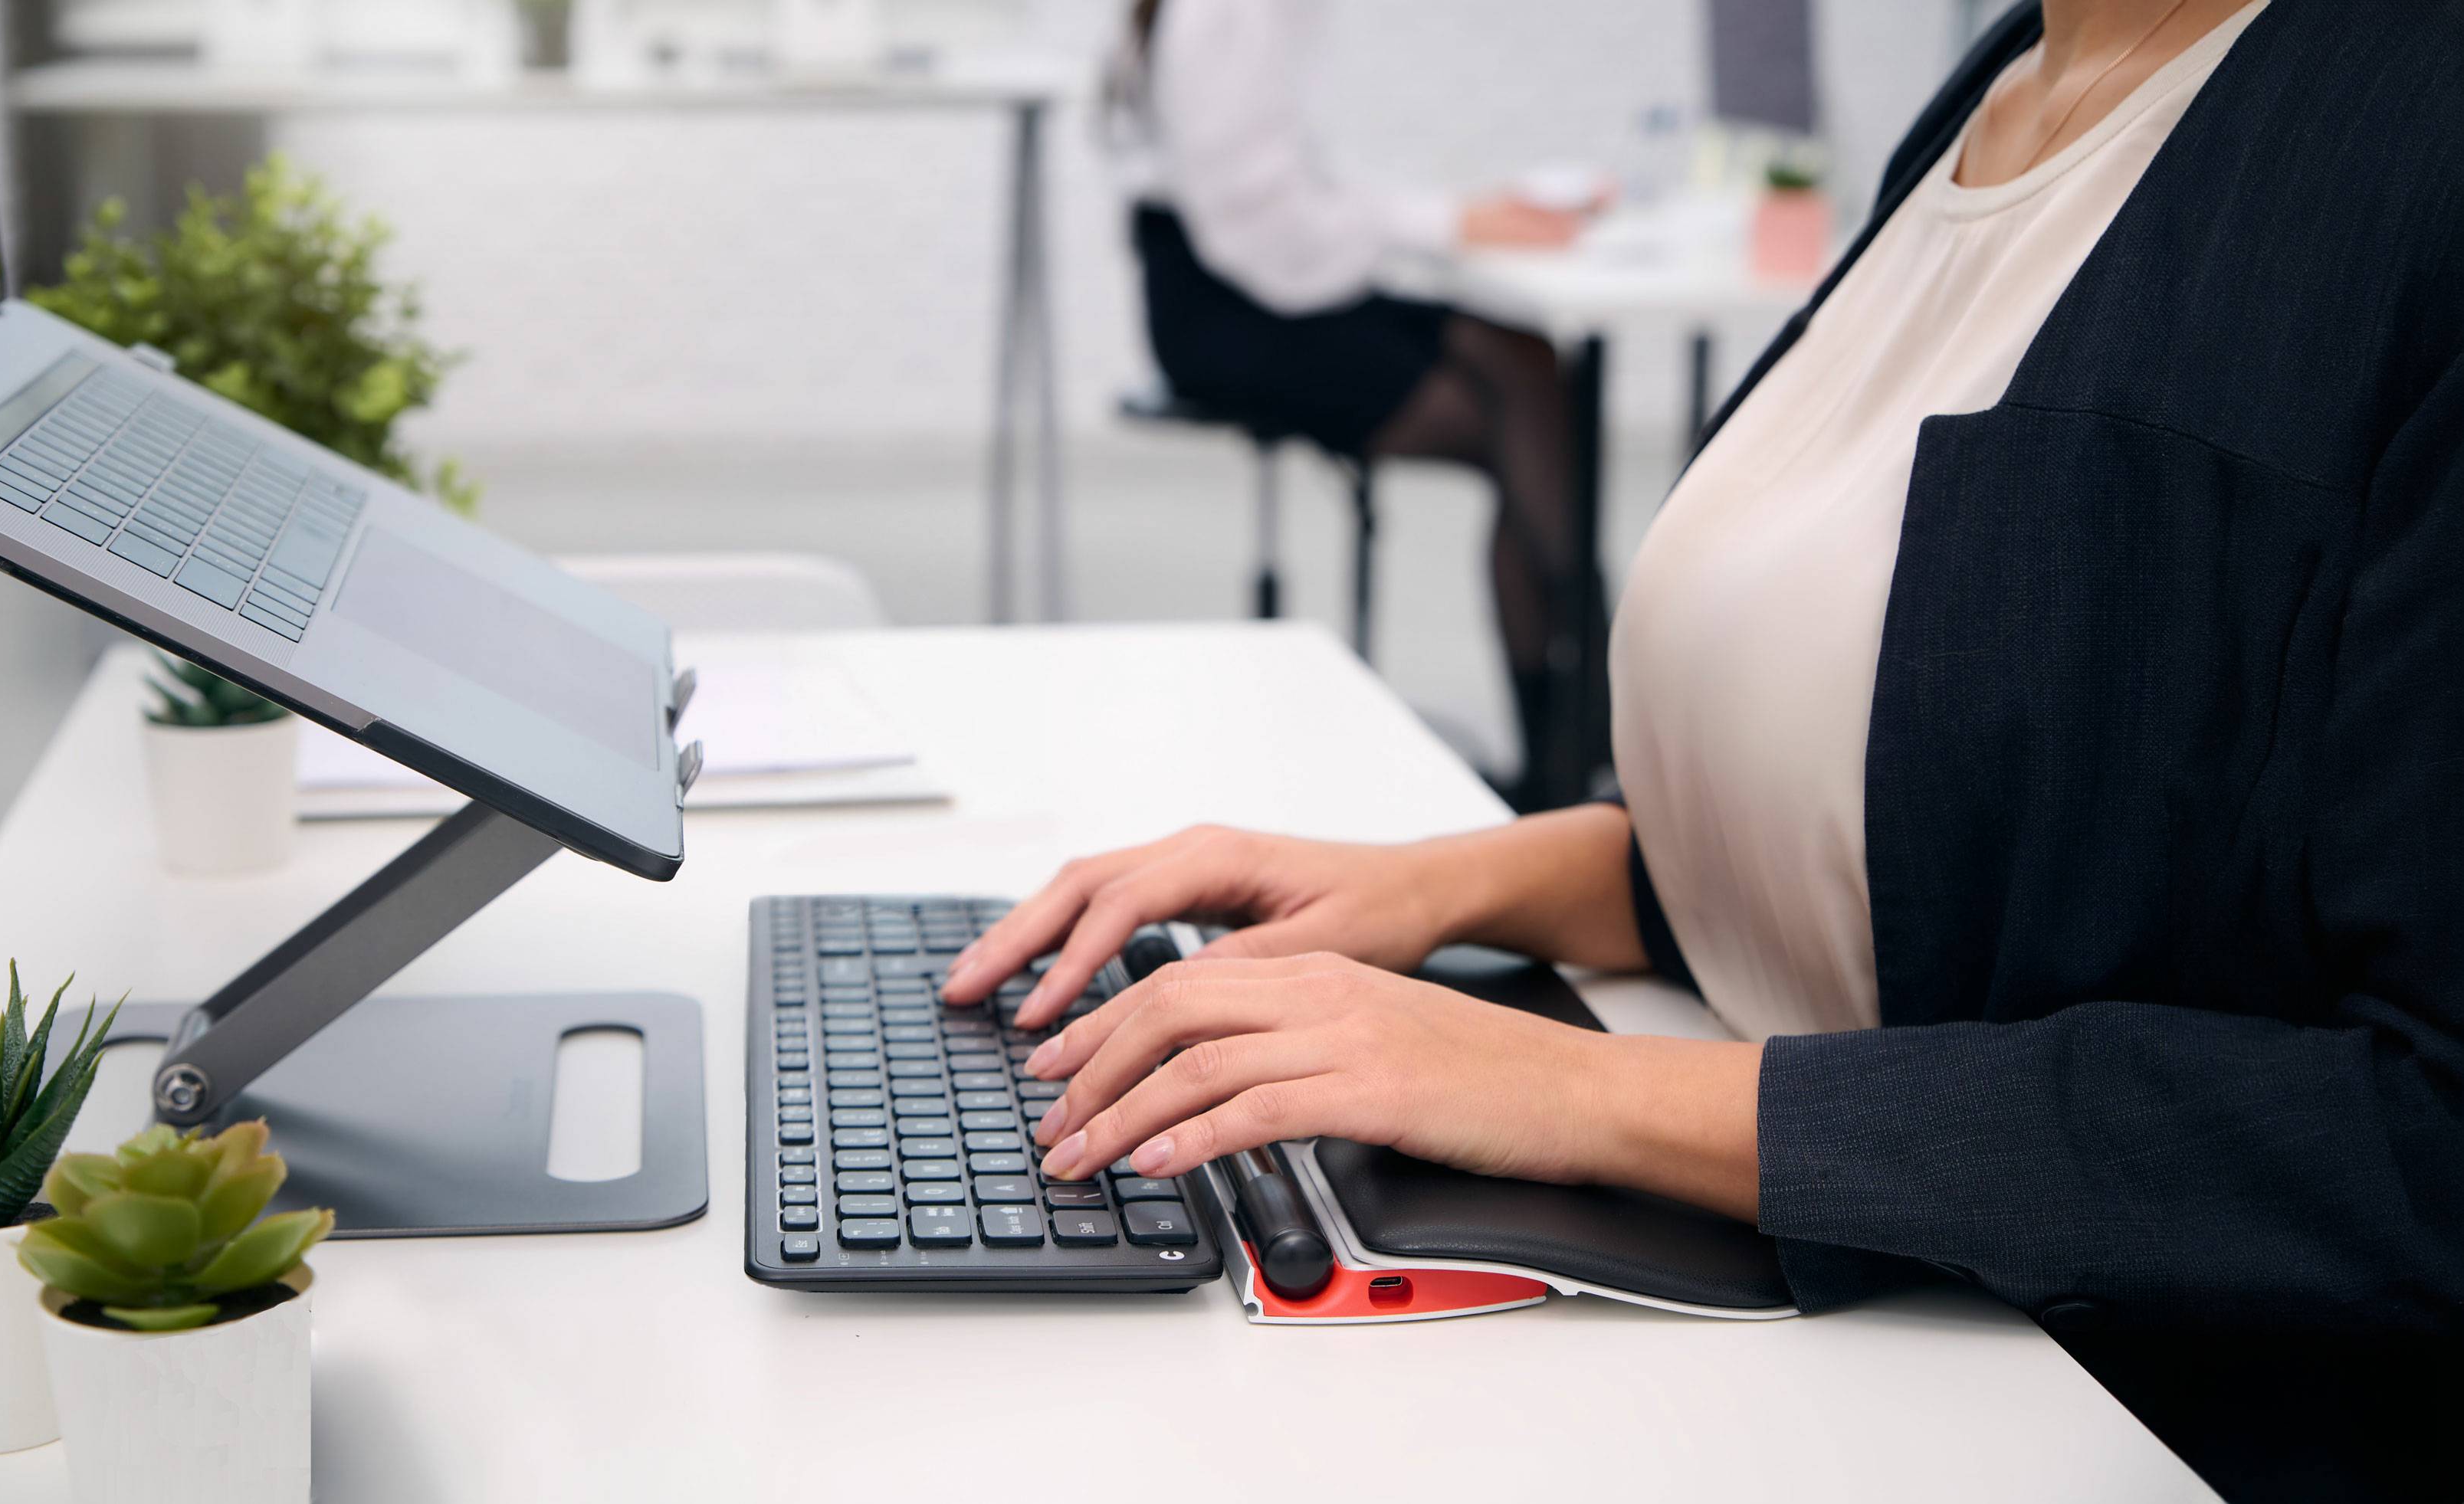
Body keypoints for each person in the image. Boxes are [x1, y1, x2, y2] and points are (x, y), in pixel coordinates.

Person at [955, 1, 2464, 1498]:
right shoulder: (2009, 83)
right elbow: (1929, 843)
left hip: (2092, 1413)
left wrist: (1570, 1093)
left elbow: (2419, 1146)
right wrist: (1453, 884)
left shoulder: (2393, 143)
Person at [1111, 0, 1603, 809]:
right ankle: (1584, 730)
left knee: (1525, 366)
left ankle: (1569, 750)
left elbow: (1297, 190)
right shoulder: (1221, 15)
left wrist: (1455, 221)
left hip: (1262, 284)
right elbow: (1261, 230)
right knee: (1525, 418)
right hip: (1236, 311)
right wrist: (1449, 225)